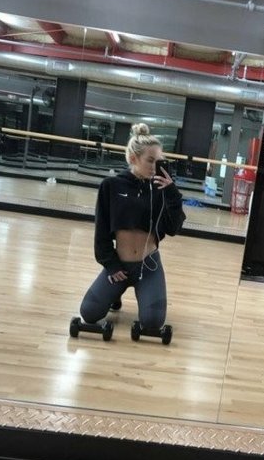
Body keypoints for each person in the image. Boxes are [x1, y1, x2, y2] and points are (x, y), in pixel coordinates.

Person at [79, 122, 185, 333]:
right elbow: (101, 231)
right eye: (150, 160)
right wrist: (111, 265)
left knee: (152, 322)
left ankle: (131, 293)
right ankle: (114, 294)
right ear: (134, 158)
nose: (155, 167)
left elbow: (173, 228)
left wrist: (172, 193)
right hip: (120, 265)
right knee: (89, 313)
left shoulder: (161, 189)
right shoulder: (111, 186)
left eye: (159, 161)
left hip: (149, 266)